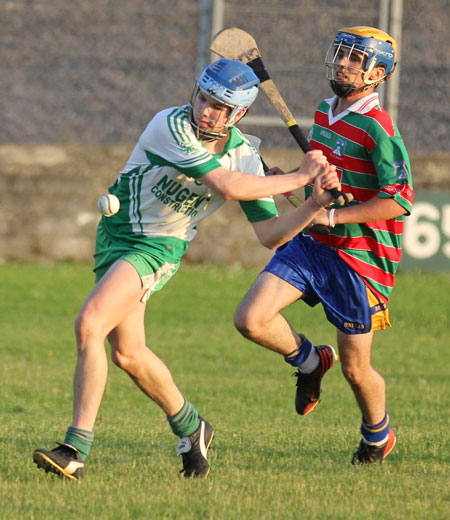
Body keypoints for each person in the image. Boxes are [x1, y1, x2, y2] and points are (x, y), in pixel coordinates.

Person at [32, 57, 340, 480]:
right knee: (129, 354)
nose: (205, 110)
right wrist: (301, 178)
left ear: (239, 115)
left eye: (218, 106)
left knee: (90, 324)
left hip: (157, 248)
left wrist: (314, 205)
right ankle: (193, 428)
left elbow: (270, 234)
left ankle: (74, 449)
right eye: (203, 97)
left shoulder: (244, 157)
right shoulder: (170, 124)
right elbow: (226, 187)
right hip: (115, 239)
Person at [234, 27, 413, 465]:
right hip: (314, 243)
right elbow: (322, 185)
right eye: (341, 56)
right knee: (251, 320)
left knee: (356, 369)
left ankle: (377, 435)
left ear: (377, 73)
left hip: (360, 261)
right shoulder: (324, 111)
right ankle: (311, 361)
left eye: (355, 59)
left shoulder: (377, 126)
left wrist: (334, 215)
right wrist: (292, 184)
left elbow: (399, 200)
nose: (343, 64)